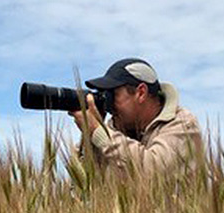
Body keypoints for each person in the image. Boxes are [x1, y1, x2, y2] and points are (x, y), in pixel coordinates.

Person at [69, 58, 203, 176]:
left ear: (141, 93)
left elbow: (154, 172)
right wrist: (89, 138)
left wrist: (98, 131)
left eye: (112, 95)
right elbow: (84, 186)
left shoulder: (183, 124)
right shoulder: (115, 128)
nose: (109, 105)